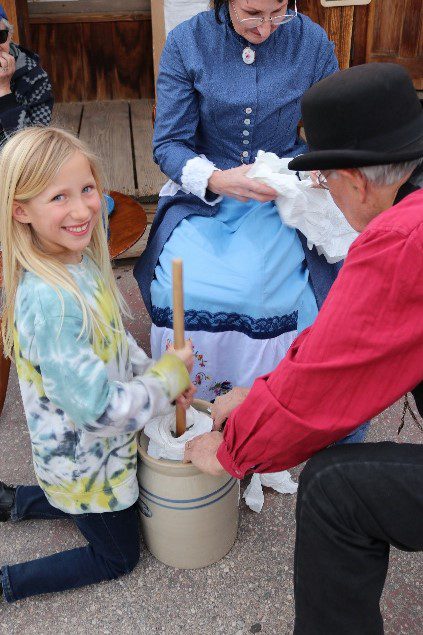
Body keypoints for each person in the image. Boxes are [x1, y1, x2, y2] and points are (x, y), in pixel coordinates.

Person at [184, 63, 423, 634]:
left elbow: (324, 385)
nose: (327, 194)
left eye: (325, 181)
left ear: (357, 180)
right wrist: (260, 394)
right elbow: (335, 345)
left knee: (334, 487)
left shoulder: (399, 239)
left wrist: (230, 449)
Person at [134, 1, 362, 416]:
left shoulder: (310, 41)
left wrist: (318, 166)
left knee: (261, 292)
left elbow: (335, 126)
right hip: (204, 194)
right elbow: (168, 144)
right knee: (180, 288)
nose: (266, 28)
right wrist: (216, 179)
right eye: (252, 13)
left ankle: (263, 412)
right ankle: (191, 404)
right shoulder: (188, 41)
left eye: (279, 12)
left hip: (278, 193)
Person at [0, 127, 195, 603]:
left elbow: (116, 340)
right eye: (59, 197)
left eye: (87, 189)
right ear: (20, 211)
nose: (83, 209)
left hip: (88, 456)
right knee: (118, 556)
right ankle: (10, 582)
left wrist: (156, 370)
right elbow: (99, 413)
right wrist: (165, 381)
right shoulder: (51, 303)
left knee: (87, 508)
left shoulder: (76, 260)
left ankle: (14, 501)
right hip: (88, 465)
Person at [0, 4, 53, 146]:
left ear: (10, 36)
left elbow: (31, 145)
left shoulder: (36, 78)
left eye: (0, 36)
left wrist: (4, 91)